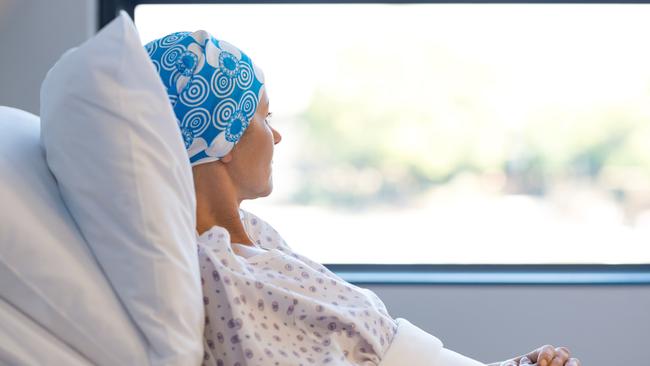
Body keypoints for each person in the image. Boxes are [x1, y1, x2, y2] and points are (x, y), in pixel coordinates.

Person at [145, 30, 582, 366]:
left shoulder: (257, 237)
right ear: (223, 134)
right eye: (263, 115)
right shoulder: (217, 272)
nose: (276, 135)